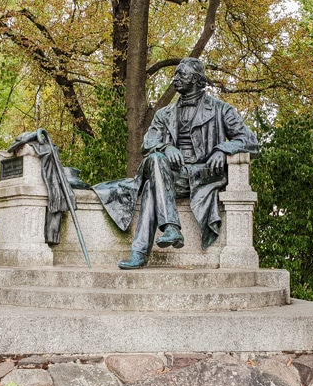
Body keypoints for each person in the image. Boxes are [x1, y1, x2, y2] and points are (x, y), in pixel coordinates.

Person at [93, 57, 259, 269]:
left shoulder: (221, 110)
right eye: (176, 74)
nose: (175, 78)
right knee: (154, 160)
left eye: (182, 74)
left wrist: (223, 148)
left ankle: (140, 252)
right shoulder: (164, 114)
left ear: (197, 79)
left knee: (153, 184)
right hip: (173, 174)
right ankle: (171, 227)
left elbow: (251, 142)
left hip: (203, 174)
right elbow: (149, 143)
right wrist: (166, 147)